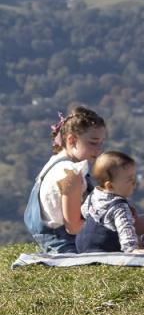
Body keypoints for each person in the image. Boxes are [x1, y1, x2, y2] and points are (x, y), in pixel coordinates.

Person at [24, 106, 106, 254]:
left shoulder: (53, 164)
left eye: (101, 143)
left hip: (54, 241)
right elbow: (73, 226)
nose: (99, 149)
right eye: (93, 142)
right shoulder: (71, 173)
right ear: (72, 140)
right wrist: (109, 227)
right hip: (68, 244)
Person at [76, 151, 144, 253]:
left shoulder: (94, 194)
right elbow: (125, 229)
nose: (134, 182)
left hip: (82, 245)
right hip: (104, 248)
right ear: (110, 186)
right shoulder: (120, 206)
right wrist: (132, 249)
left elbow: (84, 211)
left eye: (134, 178)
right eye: (130, 180)